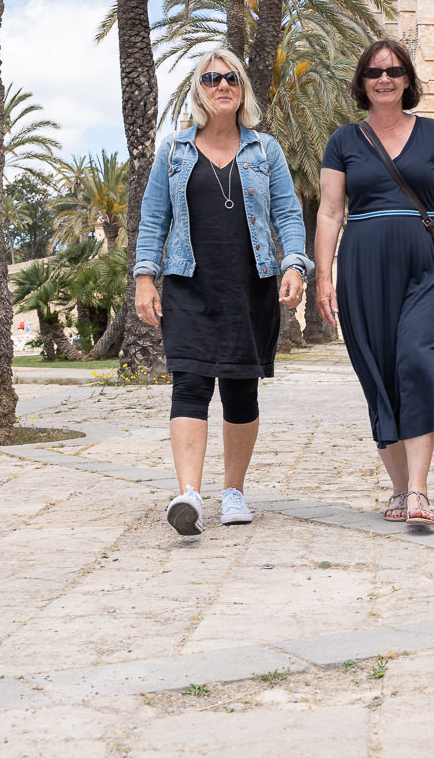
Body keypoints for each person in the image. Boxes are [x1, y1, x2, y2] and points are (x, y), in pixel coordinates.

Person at [134, 46, 308, 536]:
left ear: (243, 88)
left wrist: (294, 265)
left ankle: (233, 490)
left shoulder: (264, 150)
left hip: (250, 282)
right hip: (188, 282)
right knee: (189, 384)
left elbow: (288, 215)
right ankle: (188, 493)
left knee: (239, 388)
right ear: (198, 92)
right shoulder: (173, 150)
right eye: (211, 80)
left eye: (230, 78)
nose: (222, 86)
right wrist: (145, 278)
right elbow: (153, 218)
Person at [317, 39, 434, 527]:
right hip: (364, 265)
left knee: (420, 361)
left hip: (427, 264)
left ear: (408, 80)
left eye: (394, 70)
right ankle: (400, 488)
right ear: (362, 83)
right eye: (374, 72)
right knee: (379, 371)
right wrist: (324, 276)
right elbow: (329, 210)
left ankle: (420, 490)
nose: (384, 78)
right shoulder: (343, 140)